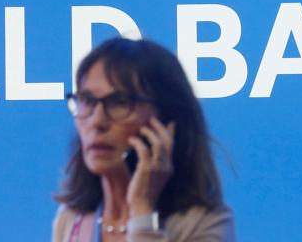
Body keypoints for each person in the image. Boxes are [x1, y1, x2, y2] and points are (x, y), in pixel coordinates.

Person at [53, 37, 235, 242]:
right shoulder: (71, 220)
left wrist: (142, 209)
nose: (97, 121)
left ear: (165, 122)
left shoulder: (205, 223)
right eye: (87, 101)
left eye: (119, 102)